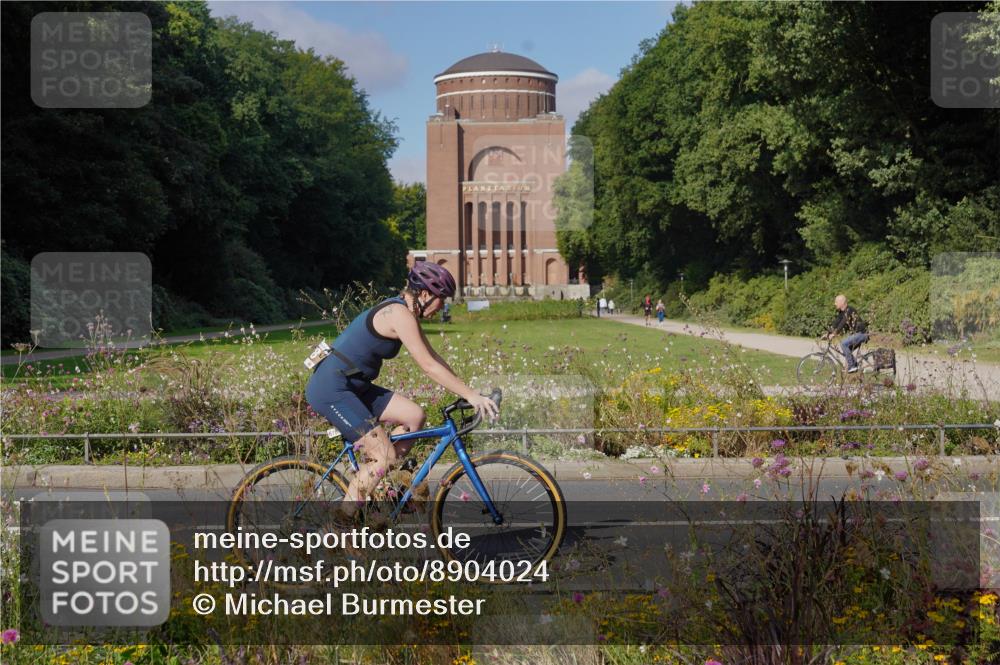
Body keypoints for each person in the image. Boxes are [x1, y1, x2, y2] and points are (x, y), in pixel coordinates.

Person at [305, 262, 498, 519]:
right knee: (383, 457)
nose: (444, 306)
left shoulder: (404, 310)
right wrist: (471, 397)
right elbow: (428, 366)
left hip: (355, 386)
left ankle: (383, 488)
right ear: (426, 295)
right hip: (332, 388)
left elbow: (434, 357)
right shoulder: (399, 314)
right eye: (443, 299)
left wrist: (469, 391)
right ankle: (343, 527)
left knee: (414, 416)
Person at [826, 294, 869, 373]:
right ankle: (854, 365)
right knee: (847, 351)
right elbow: (836, 323)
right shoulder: (841, 312)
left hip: (862, 333)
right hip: (856, 334)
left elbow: (843, 323)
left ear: (842, 302)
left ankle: (852, 366)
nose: (834, 304)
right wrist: (828, 333)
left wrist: (834, 333)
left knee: (843, 343)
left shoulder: (849, 310)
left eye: (836, 302)